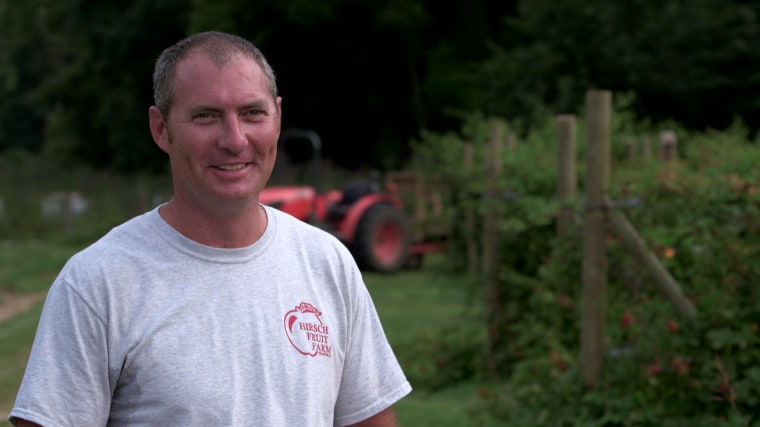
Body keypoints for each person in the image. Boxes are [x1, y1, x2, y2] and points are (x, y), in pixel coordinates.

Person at [9, 31, 411, 427]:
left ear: (278, 116)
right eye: (206, 116)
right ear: (161, 128)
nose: (235, 140)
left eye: (253, 113)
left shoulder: (328, 262)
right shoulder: (99, 283)